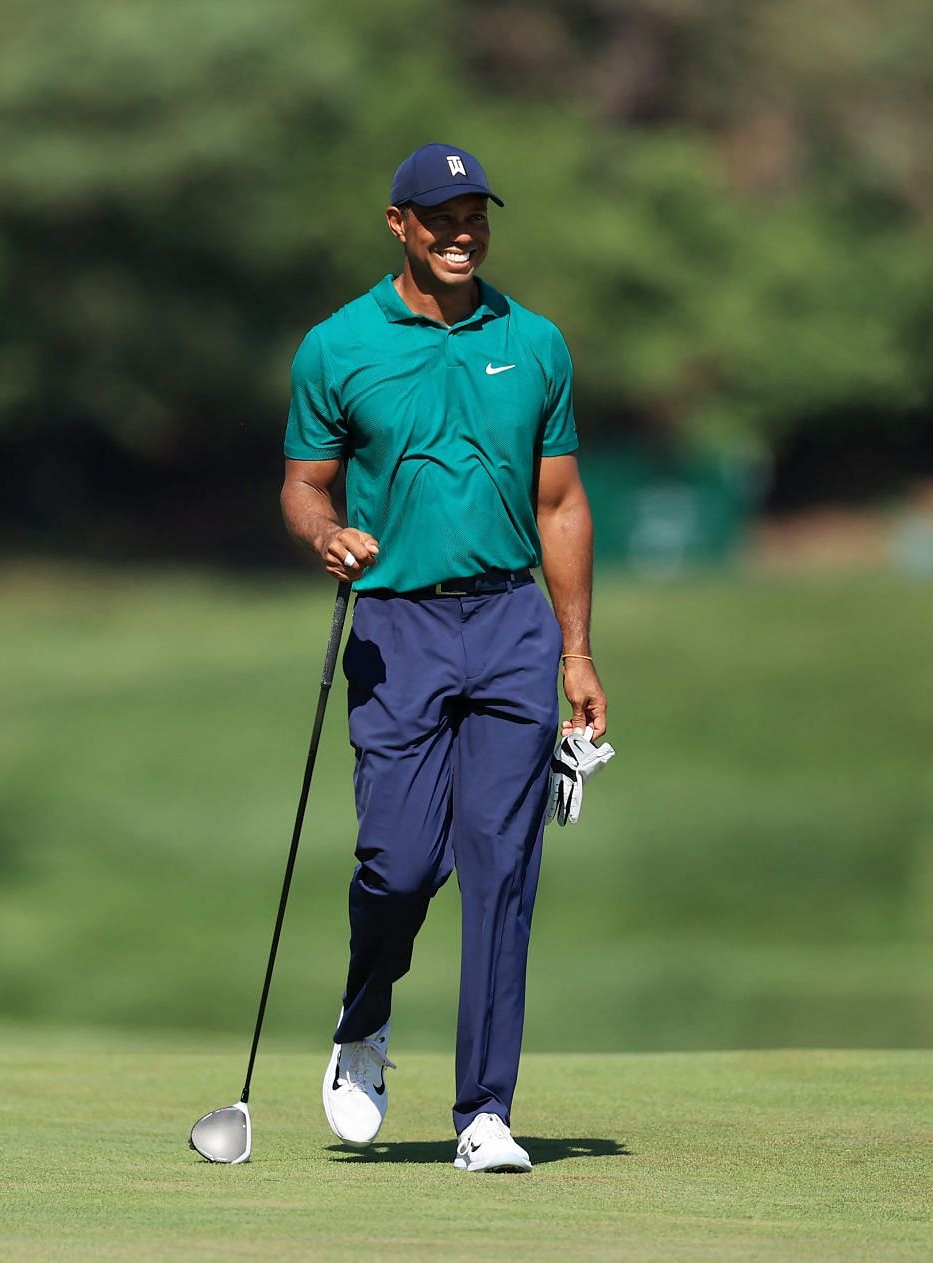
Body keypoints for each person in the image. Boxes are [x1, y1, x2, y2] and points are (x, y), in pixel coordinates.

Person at [280, 142, 607, 1174]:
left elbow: (559, 503)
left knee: (503, 870)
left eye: (476, 216)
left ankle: (485, 1112)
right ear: (399, 225)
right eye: (441, 217)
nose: (462, 233)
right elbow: (303, 484)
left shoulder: (536, 342)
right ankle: (365, 1013)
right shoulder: (337, 346)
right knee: (400, 863)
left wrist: (578, 650)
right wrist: (325, 534)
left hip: (512, 622)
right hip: (396, 628)